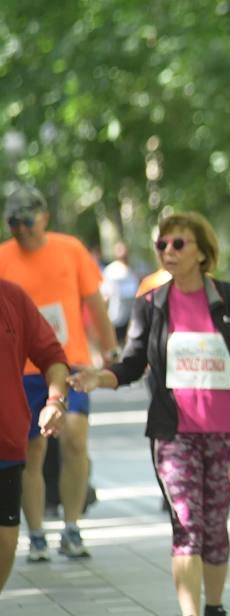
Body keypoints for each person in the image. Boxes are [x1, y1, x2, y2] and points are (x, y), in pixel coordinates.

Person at [72, 213, 230, 616]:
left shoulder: (228, 298)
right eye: (162, 245)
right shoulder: (153, 302)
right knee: (186, 523)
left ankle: (215, 608)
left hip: (225, 433)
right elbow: (133, 362)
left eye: (178, 244)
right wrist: (97, 377)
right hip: (173, 434)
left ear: (201, 250)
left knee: (215, 526)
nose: (168, 252)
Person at [0, 186, 118, 561]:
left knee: (74, 440)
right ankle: (35, 534)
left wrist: (111, 349)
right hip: (22, 369)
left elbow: (95, 303)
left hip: (70, 362)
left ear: (44, 217)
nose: (22, 230)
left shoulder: (70, 250)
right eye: (13, 223)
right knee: (32, 451)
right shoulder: (3, 258)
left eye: (28, 222)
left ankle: (71, 526)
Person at [0, 279, 68, 595]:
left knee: (6, 541)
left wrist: (55, 400)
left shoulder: (12, 298)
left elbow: (53, 357)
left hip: (6, 444)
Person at [100, 240, 142, 344]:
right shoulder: (110, 271)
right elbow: (104, 296)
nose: (122, 252)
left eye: (123, 249)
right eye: (119, 249)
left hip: (133, 318)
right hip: (117, 318)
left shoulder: (133, 269)